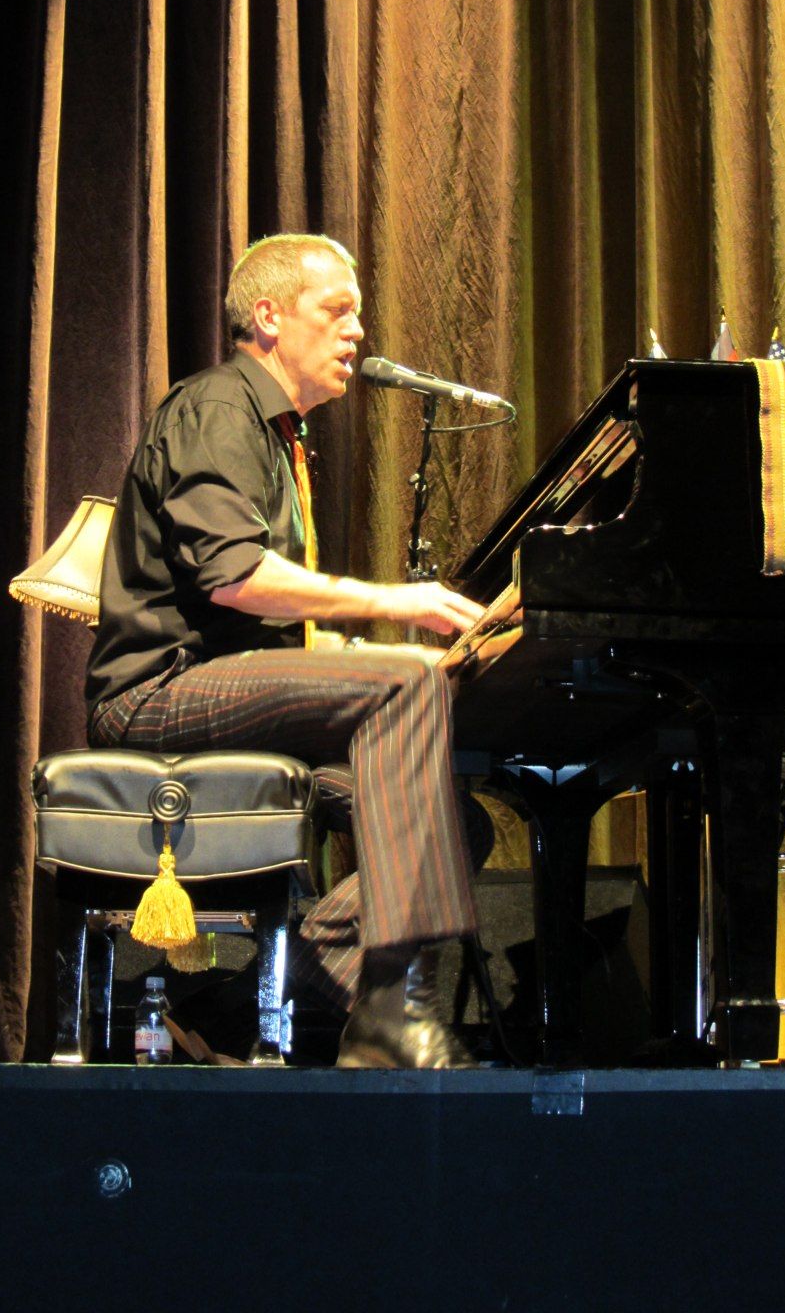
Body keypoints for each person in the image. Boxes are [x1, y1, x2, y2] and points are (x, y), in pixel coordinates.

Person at [86, 232, 488, 1068]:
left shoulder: (274, 433)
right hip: (157, 695)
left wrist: (367, 653)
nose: (357, 333)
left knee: (456, 822)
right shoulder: (216, 409)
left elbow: (261, 626)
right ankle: (391, 1012)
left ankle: (247, 1001)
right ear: (269, 317)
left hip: (222, 685)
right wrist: (397, 609)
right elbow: (235, 578)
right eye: (337, 311)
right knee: (402, 684)